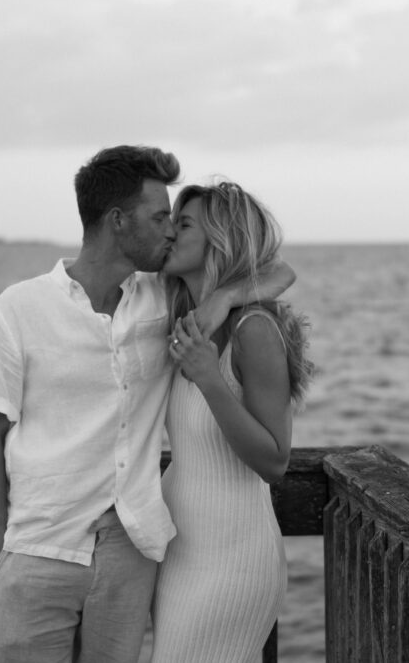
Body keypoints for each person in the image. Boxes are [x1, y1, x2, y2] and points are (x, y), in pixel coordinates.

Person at [0, 146, 296, 663]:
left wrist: (226, 299)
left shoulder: (162, 302)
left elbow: (277, 271)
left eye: (177, 220)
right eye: (161, 217)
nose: (169, 230)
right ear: (118, 221)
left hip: (133, 546)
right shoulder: (18, 310)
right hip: (40, 548)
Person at [150, 181, 314, 663]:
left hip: (232, 561)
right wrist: (221, 297)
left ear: (220, 240)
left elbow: (275, 460)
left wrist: (210, 379)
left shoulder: (254, 329)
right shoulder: (191, 323)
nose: (170, 234)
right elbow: (283, 271)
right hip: (181, 554)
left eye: (183, 224)